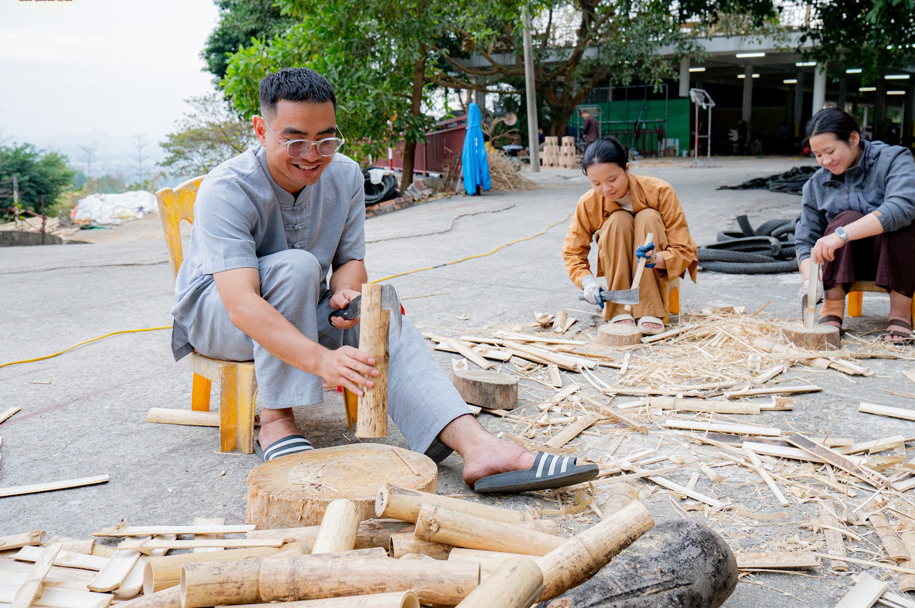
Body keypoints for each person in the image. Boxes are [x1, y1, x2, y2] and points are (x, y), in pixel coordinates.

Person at [169, 67, 597, 493]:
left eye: (326, 139)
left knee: (380, 312)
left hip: (302, 305)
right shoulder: (226, 188)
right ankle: (276, 420)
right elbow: (241, 304)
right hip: (221, 320)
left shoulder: (345, 175)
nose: (313, 154)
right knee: (297, 267)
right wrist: (324, 362)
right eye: (295, 139)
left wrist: (347, 297)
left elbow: (350, 259)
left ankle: (478, 447)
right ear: (262, 130)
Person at [794, 107, 915, 343]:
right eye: (818, 155)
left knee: (897, 225)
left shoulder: (894, 158)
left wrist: (841, 234)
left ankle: (900, 315)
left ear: (853, 138)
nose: (825, 161)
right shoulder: (816, 184)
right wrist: (811, 280)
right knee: (844, 218)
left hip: (907, 258)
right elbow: (806, 237)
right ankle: (831, 309)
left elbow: (904, 206)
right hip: (849, 264)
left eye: (830, 151)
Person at [562, 137, 698, 335]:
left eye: (612, 180)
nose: (606, 189)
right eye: (596, 183)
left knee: (648, 216)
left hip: (655, 264)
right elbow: (573, 251)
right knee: (618, 221)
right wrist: (588, 282)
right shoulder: (588, 203)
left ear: (627, 168)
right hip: (617, 255)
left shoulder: (661, 191)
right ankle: (618, 309)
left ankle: (649, 308)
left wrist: (657, 258)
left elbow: (684, 248)